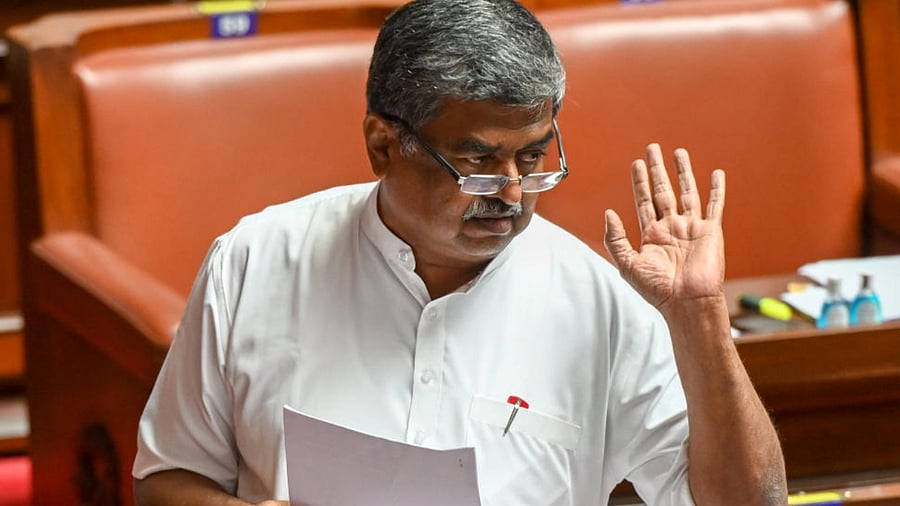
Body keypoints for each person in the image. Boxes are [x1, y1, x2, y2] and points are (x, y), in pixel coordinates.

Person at [132, 0, 787, 504]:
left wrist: (699, 315)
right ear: (384, 143)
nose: (509, 192)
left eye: (532, 159)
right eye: (477, 160)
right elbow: (168, 476)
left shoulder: (605, 300)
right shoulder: (255, 260)